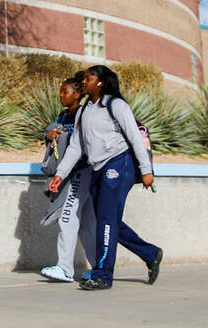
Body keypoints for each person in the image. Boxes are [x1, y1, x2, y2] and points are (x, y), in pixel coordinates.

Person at [48, 64, 162, 290]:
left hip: (119, 164)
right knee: (107, 221)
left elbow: (135, 137)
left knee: (106, 221)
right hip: (98, 167)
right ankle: (150, 253)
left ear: (100, 82)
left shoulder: (116, 105)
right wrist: (60, 174)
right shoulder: (84, 110)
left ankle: (102, 275)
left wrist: (147, 170)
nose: (85, 82)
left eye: (89, 78)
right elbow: (76, 146)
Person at [39, 76, 97, 282]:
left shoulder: (84, 113)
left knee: (67, 218)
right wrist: (50, 133)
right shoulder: (63, 115)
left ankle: (64, 268)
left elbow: (81, 141)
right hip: (69, 173)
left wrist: (59, 134)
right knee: (87, 225)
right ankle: (99, 267)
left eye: (65, 92)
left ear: (77, 94)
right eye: (61, 92)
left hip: (81, 172)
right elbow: (54, 135)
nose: (60, 95)